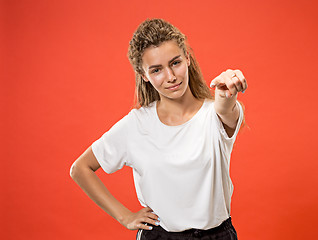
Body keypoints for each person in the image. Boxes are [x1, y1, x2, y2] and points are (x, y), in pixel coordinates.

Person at [70, 18, 248, 240]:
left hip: (217, 235)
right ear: (144, 76)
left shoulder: (214, 114)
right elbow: (80, 169)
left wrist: (226, 93)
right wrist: (124, 216)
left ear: (188, 59)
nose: (171, 77)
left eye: (175, 63)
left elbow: (226, 109)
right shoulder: (136, 124)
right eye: (156, 70)